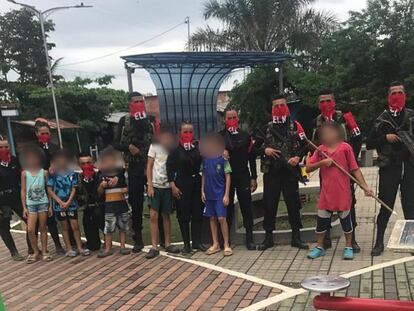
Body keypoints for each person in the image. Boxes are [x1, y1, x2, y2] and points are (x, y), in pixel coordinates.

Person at [306, 123, 373, 260]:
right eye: (324, 133)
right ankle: (319, 247)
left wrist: (364, 186)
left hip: (343, 193)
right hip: (326, 194)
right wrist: (322, 163)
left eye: (330, 132)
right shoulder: (320, 149)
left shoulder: (345, 148)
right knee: (321, 223)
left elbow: (355, 169)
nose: (327, 135)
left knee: (346, 223)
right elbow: (308, 168)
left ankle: (348, 247)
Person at [254, 95, 308, 251]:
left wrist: (298, 157)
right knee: (269, 205)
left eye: (282, 105)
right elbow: (252, 149)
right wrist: (265, 150)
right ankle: (268, 238)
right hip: (271, 174)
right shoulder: (265, 128)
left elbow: (306, 145)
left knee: (293, 205)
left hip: (290, 173)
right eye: (275, 106)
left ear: (287, 107)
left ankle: (296, 237)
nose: (279, 108)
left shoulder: (296, 126)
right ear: (272, 109)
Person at [367, 81, 414, 256]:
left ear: (405, 95)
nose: (396, 96)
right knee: (386, 206)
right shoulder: (382, 119)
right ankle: (379, 242)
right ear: (388, 97)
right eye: (393, 93)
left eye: (399, 93)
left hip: (409, 168)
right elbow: (370, 142)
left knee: (410, 206)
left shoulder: (411, 116)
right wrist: (385, 138)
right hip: (389, 168)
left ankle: (410, 241)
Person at [312, 90, 363, 252]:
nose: (325, 104)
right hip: (326, 170)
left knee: (348, 205)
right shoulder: (317, 121)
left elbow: (358, 137)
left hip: (345, 169)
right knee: (326, 204)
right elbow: (314, 143)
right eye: (322, 102)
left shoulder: (345, 117)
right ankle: (324, 240)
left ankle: (352, 241)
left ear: (334, 101)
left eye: (328, 100)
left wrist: (349, 160)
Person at [113, 92, 159, 253]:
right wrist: (128, 148)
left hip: (151, 165)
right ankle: (137, 237)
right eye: (136, 102)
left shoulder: (150, 120)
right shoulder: (124, 121)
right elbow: (115, 144)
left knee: (156, 200)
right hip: (134, 166)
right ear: (130, 104)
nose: (139, 104)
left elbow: (158, 140)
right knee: (136, 202)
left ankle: (159, 238)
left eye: (141, 101)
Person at [219, 109, 257, 250]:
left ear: (238, 118)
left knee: (246, 207)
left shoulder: (245, 136)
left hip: (243, 175)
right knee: (226, 208)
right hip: (226, 177)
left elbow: (252, 158)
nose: (232, 119)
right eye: (229, 117)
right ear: (224, 119)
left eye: (234, 117)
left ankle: (250, 238)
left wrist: (254, 177)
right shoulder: (220, 136)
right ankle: (226, 240)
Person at [167, 121, 206, 254]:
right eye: (185, 132)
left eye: (190, 132)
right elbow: (169, 167)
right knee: (183, 215)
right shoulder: (175, 149)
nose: (188, 134)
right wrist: (172, 185)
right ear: (180, 133)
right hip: (182, 184)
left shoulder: (197, 147)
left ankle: (197, 242)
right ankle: (186, 244)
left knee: (197, 213)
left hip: (196, 182)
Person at [47, 149, 90, 257]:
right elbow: (50, 190)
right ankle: (69, 248)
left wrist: (69, 201)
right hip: (59, 205)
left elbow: (73, 188)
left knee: (75, 226)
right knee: (64, 227)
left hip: (71, 204)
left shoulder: (71, 173)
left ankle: (80, 247)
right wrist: (60, 202)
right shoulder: (53, 174)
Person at [146, 124, 180, 259]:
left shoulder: (173, 148)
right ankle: (154, 246)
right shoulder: (154, 146)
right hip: (155, 184)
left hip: (167, 185)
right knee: (154, 215)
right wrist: (149, 184)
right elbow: (149, 165)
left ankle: (167, 243)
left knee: (166, 215)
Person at [34, 119, 68, 253]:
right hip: (42, 186)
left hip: (58, 185)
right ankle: (55, 244)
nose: (45, 135)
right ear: (37, 134)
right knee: (49, 217)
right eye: (42, 133)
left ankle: (70, 241)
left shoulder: (55, 147)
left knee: (64, 213)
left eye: (47, 133)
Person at [200, 132, 233, 256]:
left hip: (220, 193)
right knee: (212, 218)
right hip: (209, 193)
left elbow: (228, 176)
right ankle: (215, 244)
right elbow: (203, 174)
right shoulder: (205, 159)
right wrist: (202, 190)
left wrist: (226, 194)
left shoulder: (223, 159)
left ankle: (226, 244)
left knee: (221, 218)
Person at [96, 147, 131, 258]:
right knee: (108, 227)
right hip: (109, 205)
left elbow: (127, 188)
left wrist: (122, 189)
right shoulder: (101, 176)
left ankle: (123, 246)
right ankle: (107, 248)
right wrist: (102, 186)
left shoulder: (121, 174)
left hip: (121, 204)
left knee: (123, 226)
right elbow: (99, 192)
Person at [20, 146, 52, 263]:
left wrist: (50, 205)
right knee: (30, 229)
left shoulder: (44, 173)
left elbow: (49, 189)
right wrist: (24, 207)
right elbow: (23, 190)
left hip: (43, 202)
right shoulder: (25, 173)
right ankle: (35, 251)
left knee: (43, 227)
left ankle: (44, 250)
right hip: (31, 204)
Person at [0, 135, 26, 261]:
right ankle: (14, 252)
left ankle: (32, 248)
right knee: (3, 226)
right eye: (1, 147)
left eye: (6, 147)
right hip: (2, 199)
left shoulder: (15, 161)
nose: (4, 149)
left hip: (16, 196)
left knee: (29, 219)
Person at [76, 153, 103, 251]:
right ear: (79, 165)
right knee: (93, 247)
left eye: (88, 163)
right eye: (83, 164)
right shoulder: (77, 178)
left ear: (93, 163)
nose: (86, 165)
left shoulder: (99, 175)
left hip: (101, 208)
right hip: (87, 210)